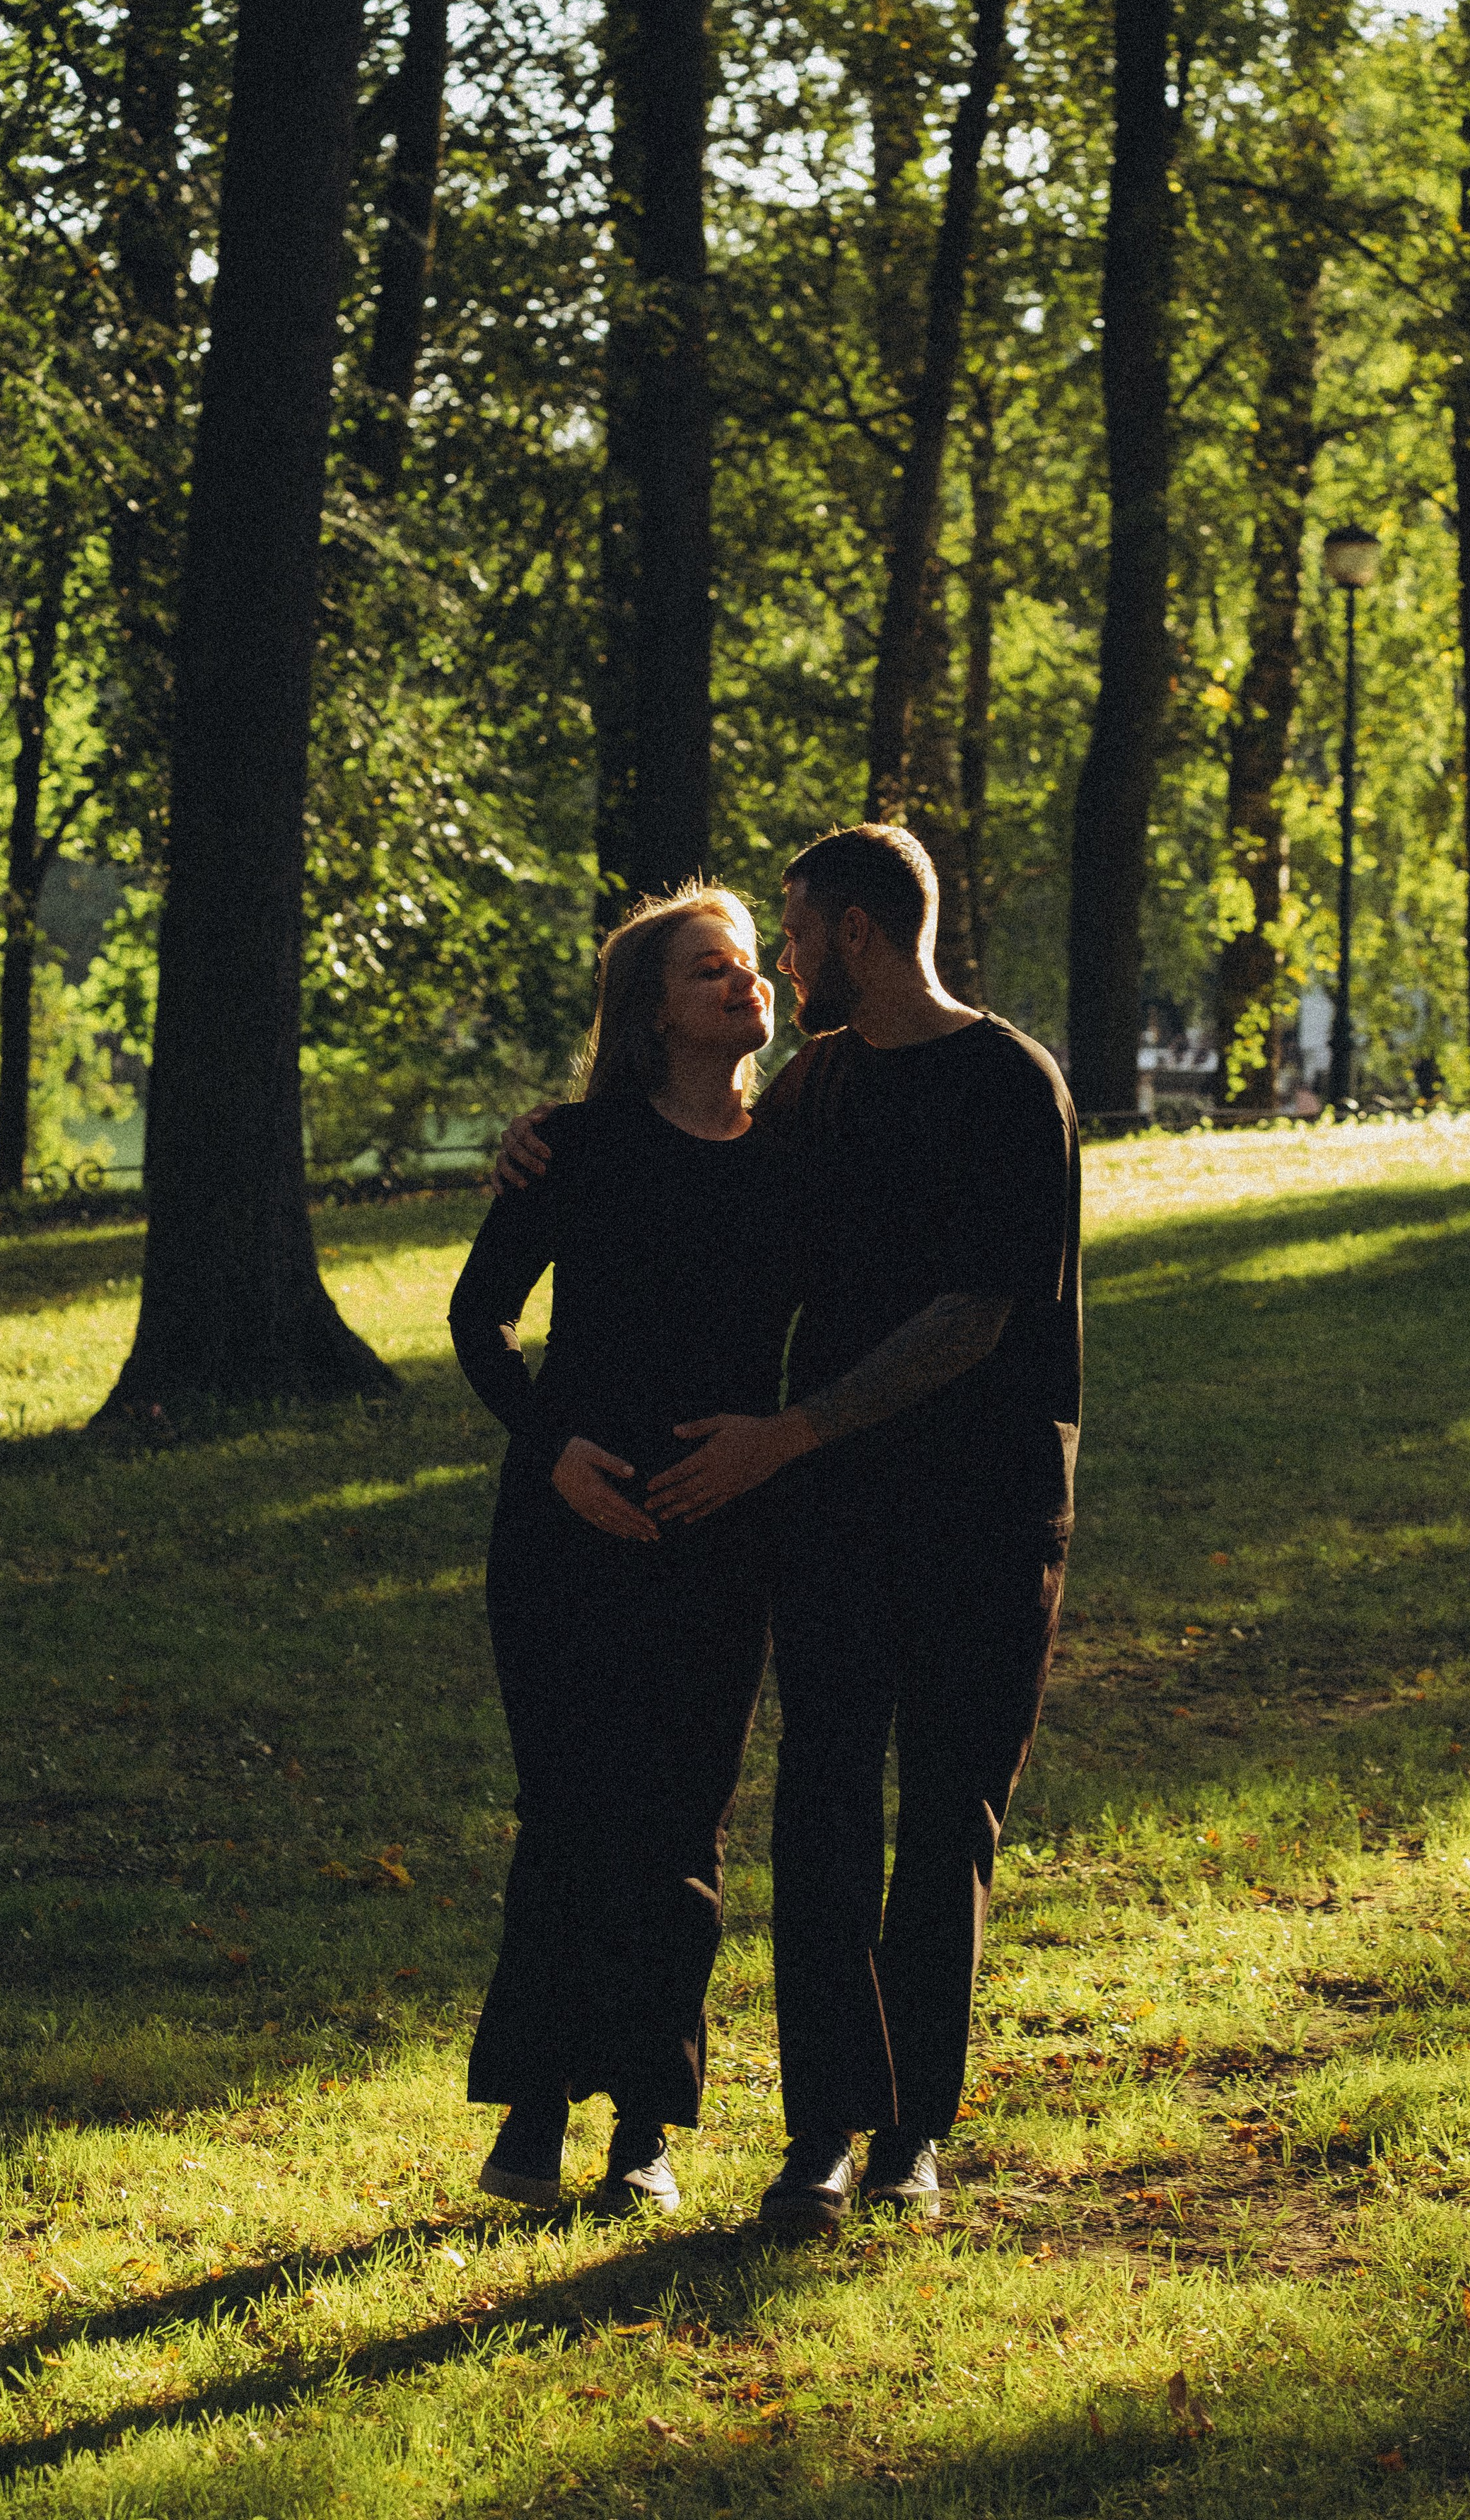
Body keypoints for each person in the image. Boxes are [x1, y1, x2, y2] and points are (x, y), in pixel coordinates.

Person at [496, 825, 1080, 2234]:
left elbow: (972, 1315)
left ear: (857, 939)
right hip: (832, 1520)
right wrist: (547, 1153)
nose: (782, 968)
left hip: (988, 1514)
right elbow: (698, 1184)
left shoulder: (1010, 1085)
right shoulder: (818, 1085)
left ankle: (910, 2137)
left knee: (946, 1822)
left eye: (796, 940)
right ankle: (821, 2131)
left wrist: (793, 1431)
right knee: (821, 1815)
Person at [449, 885, 793, 2215]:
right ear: (653, 1008)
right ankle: (532, 2120)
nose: (742, 988)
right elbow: (482, 1322)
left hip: (721, 1528)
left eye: (753, 968)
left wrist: (767, 1445)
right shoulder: (575, 1152)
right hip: (564, 1531)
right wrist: (555, 1453)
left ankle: (644, 2130)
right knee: (571, 1816)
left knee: (681, 1835)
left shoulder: (790, 1160)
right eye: (710, 971)